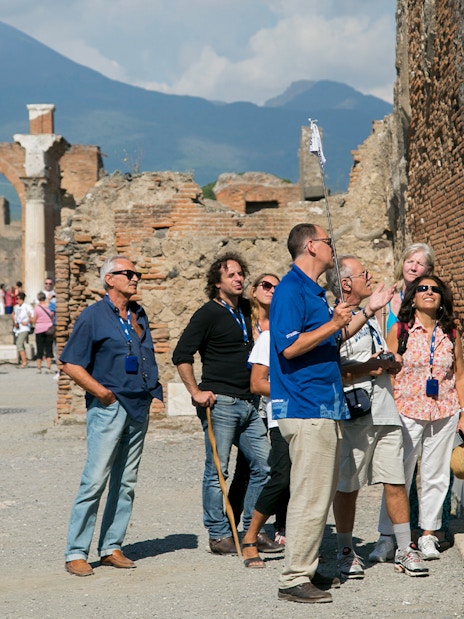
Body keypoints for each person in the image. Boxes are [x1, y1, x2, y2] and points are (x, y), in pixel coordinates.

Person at [270, 223, 395, 604]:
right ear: (311, 246)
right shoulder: (291, 290)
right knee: (309, 495)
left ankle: (305, 567)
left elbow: (333, 336)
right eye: (328, 241)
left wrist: (365, 310)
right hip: (306, 405)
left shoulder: (314, 291)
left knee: (319, 493)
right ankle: (293, 579)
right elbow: (289, 348)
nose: (333, 247)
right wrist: (333, 322)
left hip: (324, 403)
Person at [326, 256, 428, 579]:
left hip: (385, 411)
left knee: (396, 481)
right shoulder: (331, 321)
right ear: (346, 284)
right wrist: (366, 367)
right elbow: (330, 368)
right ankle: (345, 551)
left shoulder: (367, 319)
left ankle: (404, 548)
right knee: (348, 485)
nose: (369, 277)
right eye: (363, 274)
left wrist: (391, 361)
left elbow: (378, 358)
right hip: (354, 414)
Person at [61, 255, 162, 577]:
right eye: (127, 273)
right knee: (94, 480)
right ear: (110, 279)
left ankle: (111, 547)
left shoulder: (138, 314)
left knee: (126, 481)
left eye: (137, 273)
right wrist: (102, 392)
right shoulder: (93, 316)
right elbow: (70, 363)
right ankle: (76, 551)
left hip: (138, 406)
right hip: (109, 407)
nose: (135, 277)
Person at [172, 253, 272, 556]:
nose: (239, 279)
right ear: (217, 282)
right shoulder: (207, 314)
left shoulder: (245, 310)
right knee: (218, 471)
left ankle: (249, 530)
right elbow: (181, 355)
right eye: (231, 275)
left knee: (265, 466)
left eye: (241, 274)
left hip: (250, 402)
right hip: (221, 403)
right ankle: (218, 534)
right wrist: (195, 392)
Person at [377, 275, 464, 561]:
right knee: (397, 475)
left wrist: (463, 412)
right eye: (422, 288)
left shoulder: (451, 332)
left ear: (442, 298)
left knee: (436, 474)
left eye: (435, 289)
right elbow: (387, 371)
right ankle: (388, 537)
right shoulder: (399, 329)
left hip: (444, 410)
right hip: (405, 411)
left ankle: (428, 534)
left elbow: (459, 374)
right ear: (412, 297)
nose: (429, 292)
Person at [382, 243, 434, 336]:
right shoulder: (386, 304)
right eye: (410, 262)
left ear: (428, 270)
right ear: (402, 265)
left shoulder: (431, 302)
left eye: (420, 264)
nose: (413, 268)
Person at [32, 292, 55, 374]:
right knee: (49, 349)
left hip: (39, 329)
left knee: (39, 349)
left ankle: (39, 368)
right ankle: (49, 368)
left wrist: (30, 318)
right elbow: (52, 316)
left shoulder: (37, 308)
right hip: (49, 328)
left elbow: (34, 320)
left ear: (38, 299)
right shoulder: (49, 307)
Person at [12, 292, 33, 369]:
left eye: (18, 299)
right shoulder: (16, 307)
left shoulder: (27, 306)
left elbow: (32, 315)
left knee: (19, 343)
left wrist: (27, 322)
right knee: (21, 345)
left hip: (25, 327)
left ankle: (24, 362)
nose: (17, 301)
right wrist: (15, 322)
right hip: (18, 328)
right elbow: (13, 314)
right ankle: (24, 360)